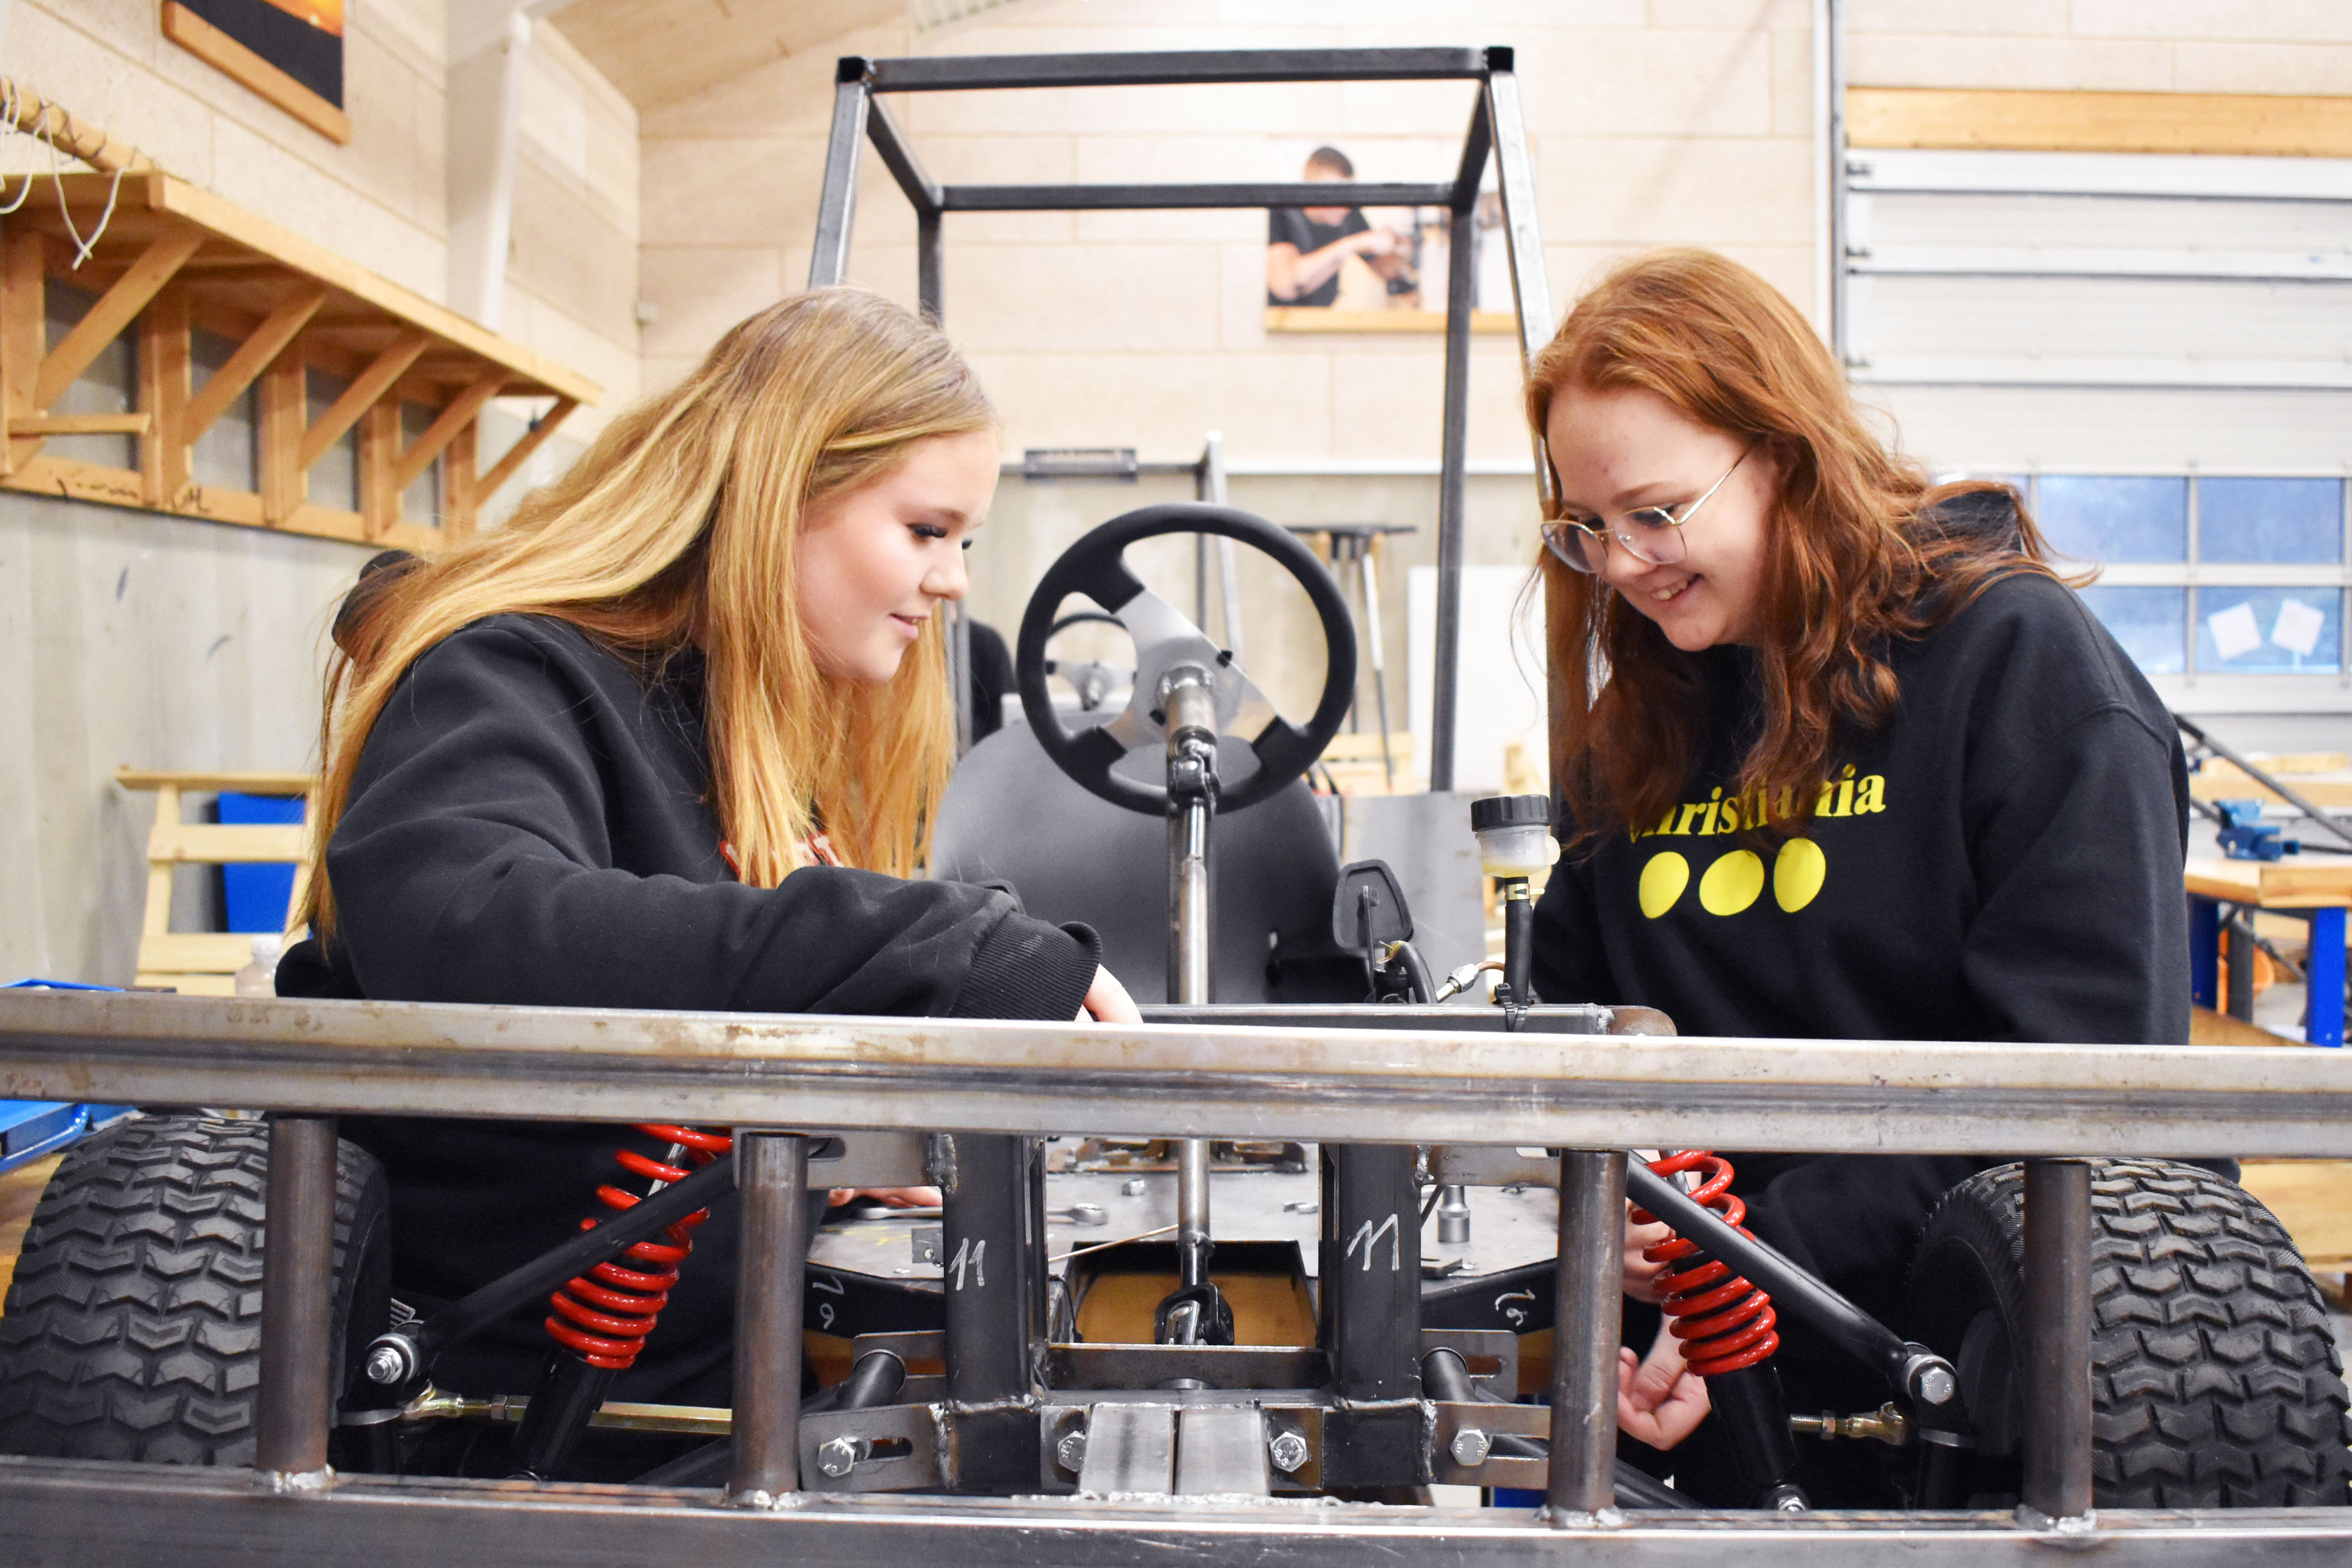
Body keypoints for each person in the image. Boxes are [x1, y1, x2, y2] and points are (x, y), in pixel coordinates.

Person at [278, 287, 1141, 1420]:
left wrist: (830, 1163)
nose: (954, 581)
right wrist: (939, 945)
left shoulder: (732, 721)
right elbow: (463, 924)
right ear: (778, 496)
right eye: (926, 532)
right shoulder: (514, 675)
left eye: (963, 541)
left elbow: (712, 1008)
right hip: (515, 1422)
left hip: (720, 1380)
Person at [1523, 249, 2191, 1502]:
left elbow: (2096, 1108)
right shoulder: (1651, 718)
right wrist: (1606, 1219)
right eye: (1588, 527)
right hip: (1698, 1384)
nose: (1619, 564)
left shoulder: (2018, 671)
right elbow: (1569, 1029)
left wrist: (1745, 1261)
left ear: (1784, 456)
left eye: (1657, 513)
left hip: (1989, 1406)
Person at [1265, 145, 1408, 307]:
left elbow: (1386, 270)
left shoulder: (1348, 215)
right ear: (1312, 192)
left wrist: (1396, 246)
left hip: (1320, 318)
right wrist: (1351, 245)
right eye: (1336, 195)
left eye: (1348, 194)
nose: (1345, 205)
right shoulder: (1283, 213)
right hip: (1279, 320)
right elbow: (1285, 286)